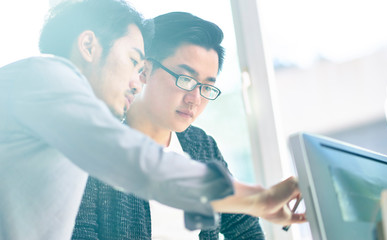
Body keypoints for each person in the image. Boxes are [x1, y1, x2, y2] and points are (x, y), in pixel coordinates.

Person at [0, 0, 304, 239]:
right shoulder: (46, 78)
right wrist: (258, 198)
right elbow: (138, 165)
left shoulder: (60, 125)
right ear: (89, 45)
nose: (137, 80)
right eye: (133, 61)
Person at [72, 12, 303, 240]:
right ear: (144, 70)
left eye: (206, 87)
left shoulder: (201, 146)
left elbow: (245, 230)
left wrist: (265, 200)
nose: (195, 99)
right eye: (185, 79)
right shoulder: (97, 145)